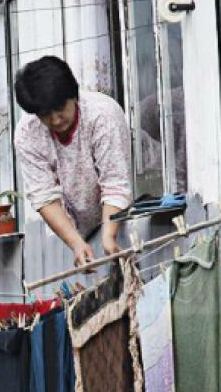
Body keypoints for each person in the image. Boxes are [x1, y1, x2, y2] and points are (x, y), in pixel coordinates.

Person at [14, 56, 133, 267]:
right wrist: (76, 243)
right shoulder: (27, 134)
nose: (55, 120)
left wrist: (108, 235)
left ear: (74, 95)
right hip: (83, 229)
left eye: (60, 108)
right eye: (45, 114)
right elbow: (44, 197)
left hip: (129, 218)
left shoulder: (102, 115)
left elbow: (115, 182)